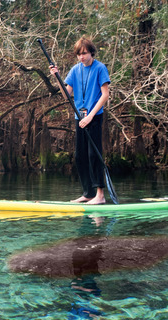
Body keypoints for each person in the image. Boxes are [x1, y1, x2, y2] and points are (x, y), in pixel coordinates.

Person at [50, 37, 110, 204]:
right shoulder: (75, 70)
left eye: (84, 53)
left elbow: (105, 95)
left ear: (91, 52)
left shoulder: (100, 68)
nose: (81, 57)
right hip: (80, 118)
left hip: (94, 117)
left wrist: (90, 116)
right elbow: (66, 95)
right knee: (80, 156)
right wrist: (57, 77)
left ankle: (100, 195)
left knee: (94, 155)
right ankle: (88, 193)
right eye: (78, 54)